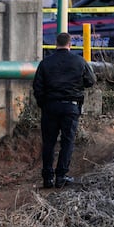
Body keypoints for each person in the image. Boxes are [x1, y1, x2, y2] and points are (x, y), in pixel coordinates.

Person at [32, 32, 96, 188]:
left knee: (49, 142)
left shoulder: (45, 63)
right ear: (70, 44)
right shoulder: (79, 61)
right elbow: (91, 81)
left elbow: (37, 86)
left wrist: (43, 104)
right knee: (67, 142)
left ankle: (47, 178)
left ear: (56, 43)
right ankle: (61, 176)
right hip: (71, 106)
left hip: (50, 107)